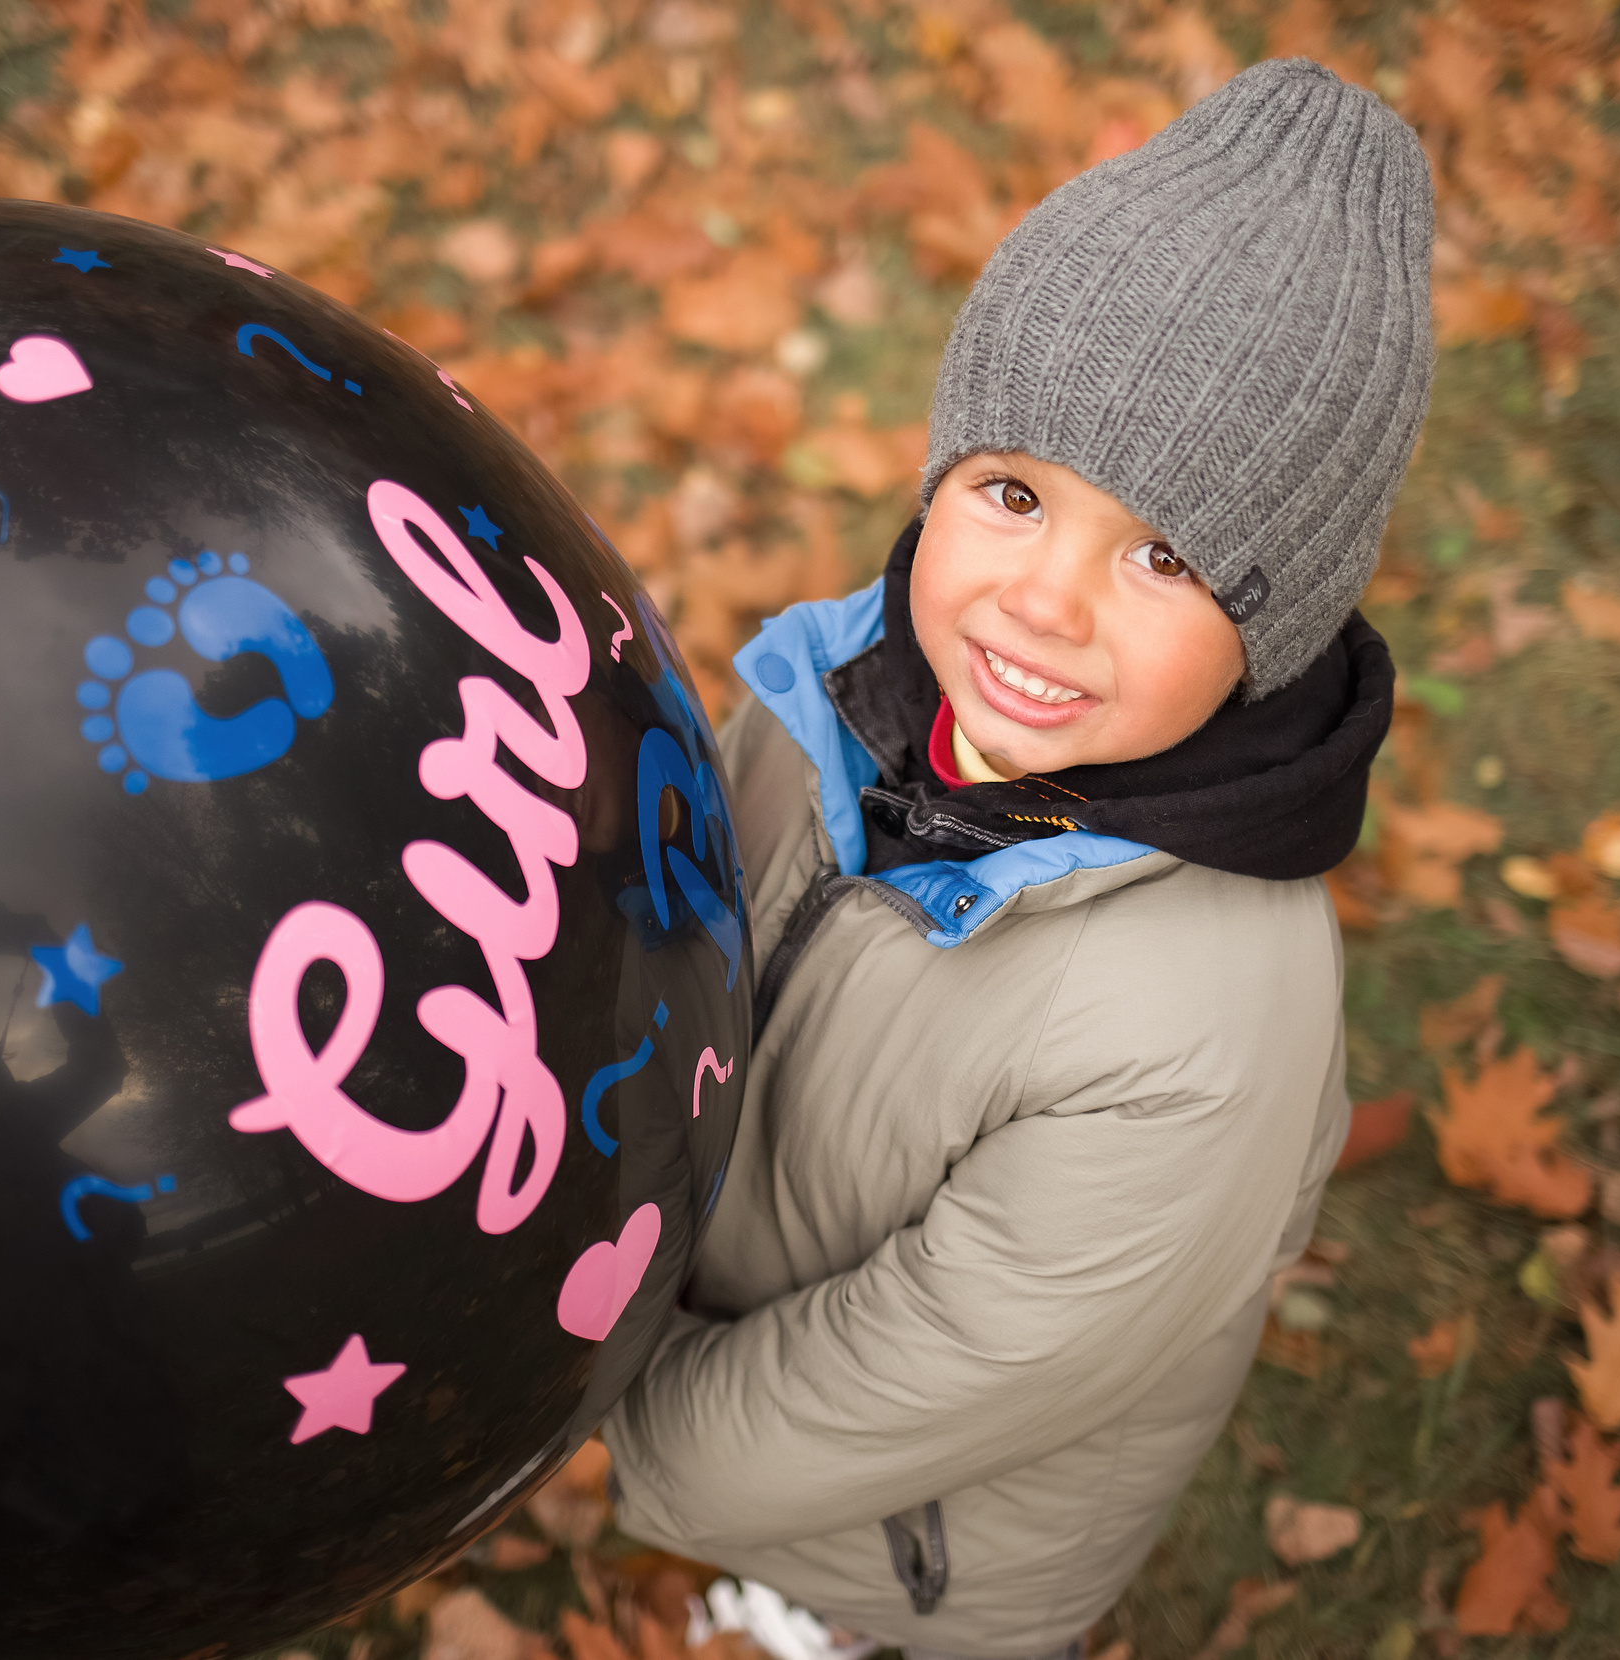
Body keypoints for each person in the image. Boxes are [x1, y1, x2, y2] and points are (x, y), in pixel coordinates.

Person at [599, 57, 1432, 1660]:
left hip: (918, 1540)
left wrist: (634, 1425)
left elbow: (942, 1358)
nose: (1044, 604)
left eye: (1165, 555)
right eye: (1011, 492)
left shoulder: (1199, 1038)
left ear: (1284, 621)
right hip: (711, 1279)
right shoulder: (832, 686)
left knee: (845, 1610)